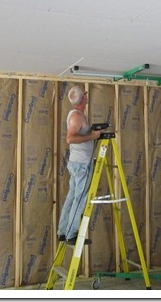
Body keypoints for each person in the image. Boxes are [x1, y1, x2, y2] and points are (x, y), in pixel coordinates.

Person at [57, 85, 101, 245]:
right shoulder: (77, 117)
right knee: (80, 199)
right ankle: (71, 235)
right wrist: (93, 136)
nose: (87, 96)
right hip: (82, 164)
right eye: (86, 94)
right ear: (83, 98)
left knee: (72, 197)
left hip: (77, 163)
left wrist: (91, 133)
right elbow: (70, 138)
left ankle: (62, 231)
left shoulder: (76, 114)